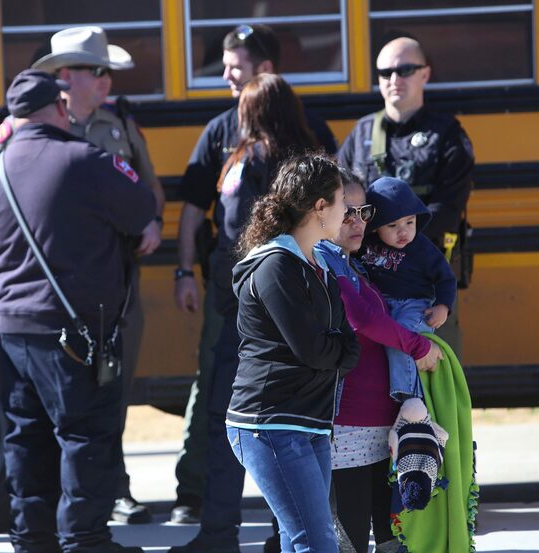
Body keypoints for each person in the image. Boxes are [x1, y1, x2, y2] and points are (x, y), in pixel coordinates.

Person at [0, 25, 165, 524]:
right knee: (65, 430)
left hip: (104, 296)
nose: (107, 83)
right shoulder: (15, 133)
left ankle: (109, 491)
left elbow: (148, 194)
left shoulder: (117, 124)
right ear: (64, 79)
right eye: (98, 72)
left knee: (98, 411)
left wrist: (152, 224)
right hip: (56, 311)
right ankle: (80, 530)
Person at [172, 22, 336, 526]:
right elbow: (194, 208)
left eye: (234, 67)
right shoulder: (223, 132)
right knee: (226, 397)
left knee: (249, 407)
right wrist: (183, 269)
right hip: (240, 299)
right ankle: (207, 499)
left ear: (264, 72)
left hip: (264, 298)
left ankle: (247, 525)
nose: (224, 76)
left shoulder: (305, 140)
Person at [226, 154, 360, 552]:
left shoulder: (317, 262)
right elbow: (316, 349)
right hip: (270, 424)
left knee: (301, 538)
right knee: (315, 542)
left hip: (308, 422)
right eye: (342, 203)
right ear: (320, 208)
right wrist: (344, 350)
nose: (348, 215)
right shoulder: (275, 266)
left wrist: (341, 347)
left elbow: (339, 338)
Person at [314, 174, 442, 553]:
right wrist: (418, 346)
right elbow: (363, 320)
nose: (358, 222)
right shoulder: (324, 260)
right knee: (352, 539)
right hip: (347, 423)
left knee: (389, 538)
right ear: (322, 212)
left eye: (364, 212)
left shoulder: (355, 265)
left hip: (377, 425)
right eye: (347, 212)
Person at [337, 36, 474, 358]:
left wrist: (397, 235)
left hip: (423, 284)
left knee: (432, 365)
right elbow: (335, 201)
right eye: (385, 72)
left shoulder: (447, 134)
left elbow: (449, 207)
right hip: (365, 281)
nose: (394, 79)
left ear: (424, 74)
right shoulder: (360, 134)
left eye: (405, 70)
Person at [359, 176, 456, 401]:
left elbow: (446, 278)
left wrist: (442, 306)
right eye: (392, 225)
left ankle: (409, 396)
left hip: (415, 306)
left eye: (409, 222)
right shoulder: (365, 245)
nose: (403, 232)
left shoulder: (422, 247)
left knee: (402, 337)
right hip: (381, 305)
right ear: (375, 227)